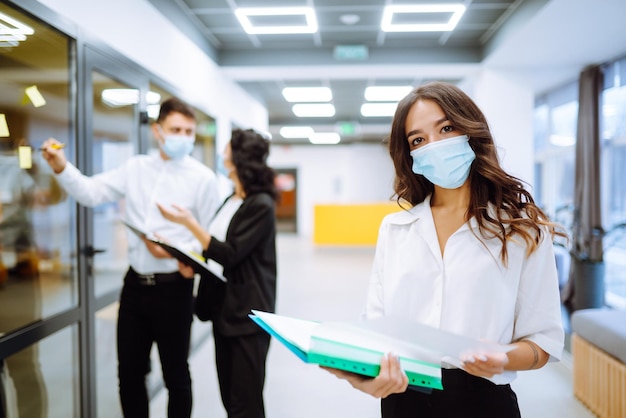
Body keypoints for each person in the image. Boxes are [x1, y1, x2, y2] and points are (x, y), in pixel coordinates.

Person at [323, 81, 566, 418]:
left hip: (482, 402)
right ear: (410, 155)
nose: (433, 146)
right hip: (402, 401)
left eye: (446, 128)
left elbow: (544, 342)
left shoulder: (522, 230)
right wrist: (360, 377)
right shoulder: (395, 231)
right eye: (418, 140)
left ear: (471, 131)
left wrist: (504, 357)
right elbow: (376, 331)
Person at [41, 97, 220, 418]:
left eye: (189, 131)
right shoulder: (136, 167)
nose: (183, 137)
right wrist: (61, 167)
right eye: (175, 129)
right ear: (157, 131)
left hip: (174, 289)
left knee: (176, 376)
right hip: (135, 287)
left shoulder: (203, 178)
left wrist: (183, 258)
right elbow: (91, 192)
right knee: (130, 375)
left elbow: (208, 236)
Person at [157, 128, 277, 418]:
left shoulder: (260, 205)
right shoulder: (231, 201)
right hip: (224, 312)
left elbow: (231, 253)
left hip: (248, 318)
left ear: (239, 158)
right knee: (230, 398)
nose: (223, 154)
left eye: (227, 149)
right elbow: (215, 247)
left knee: (245, 404)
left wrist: (188, 222)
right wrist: (190, 260)